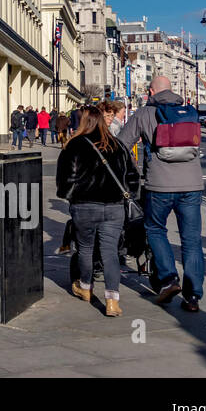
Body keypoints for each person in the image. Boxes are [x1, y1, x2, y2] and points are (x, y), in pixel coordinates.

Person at [113, 75, 205, 312]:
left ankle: (168, 278)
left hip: (159, 185)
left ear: (151, 92)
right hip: (192, 185)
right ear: (172, 90)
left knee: (155, 229)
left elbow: (121, 145)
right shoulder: (189, 111)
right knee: (192, 240)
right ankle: (193, 296)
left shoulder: (144, 114)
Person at [56, 105, 139, 317]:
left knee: (84, 249)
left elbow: (65, 180)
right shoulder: (117, 145)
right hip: (113, 207)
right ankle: (112, 301)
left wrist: (70, 195)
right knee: (110, 252)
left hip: (84, 206)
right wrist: (127, 194)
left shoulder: (74, 145)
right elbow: (132, 176)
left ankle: (86, 286)